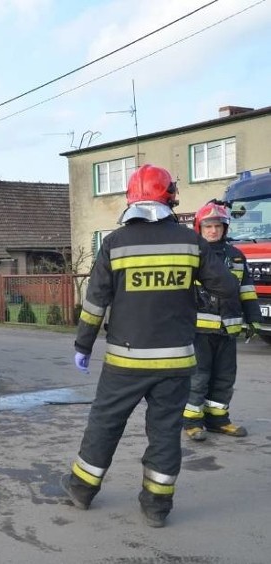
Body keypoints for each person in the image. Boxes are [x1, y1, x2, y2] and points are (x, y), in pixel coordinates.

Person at [61, 165, 240, 528]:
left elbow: (96, 302)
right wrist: (189, 293)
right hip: (176, 361)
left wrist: (84, 345)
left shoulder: (114, 243)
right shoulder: (191, 242)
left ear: (131, 199)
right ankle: (157, 507)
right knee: (163, 431)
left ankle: (81, 490)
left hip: (124, 361)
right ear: (170, 197)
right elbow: (227, 288)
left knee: (105, 424)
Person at [182, 201, 262, 441]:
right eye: (208, 226)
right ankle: (192, 422)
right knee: (198, 377)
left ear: (225, 228)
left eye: (218, 225)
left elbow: (246, 290)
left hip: (229, 327)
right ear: (200, 228)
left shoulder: (236, 257)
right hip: (198, 330)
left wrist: (254, 319)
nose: (213, 230)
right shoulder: (191, 255)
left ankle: (218, 420)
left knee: (225, 377)